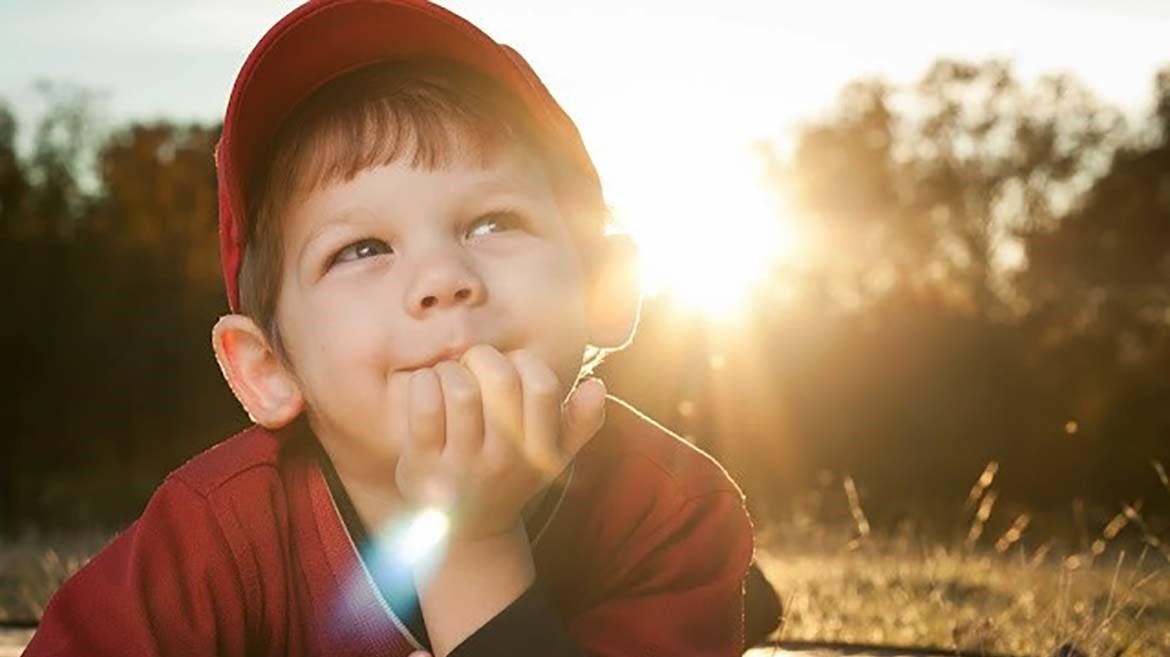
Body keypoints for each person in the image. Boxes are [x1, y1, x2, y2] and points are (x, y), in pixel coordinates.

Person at [24, 1, 755, 655]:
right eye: (361, 249)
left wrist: (472, 541)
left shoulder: (672, 514)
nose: (442, 277)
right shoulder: (215, 535)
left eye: (494, 221)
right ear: (267, 368)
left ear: (605, 287)